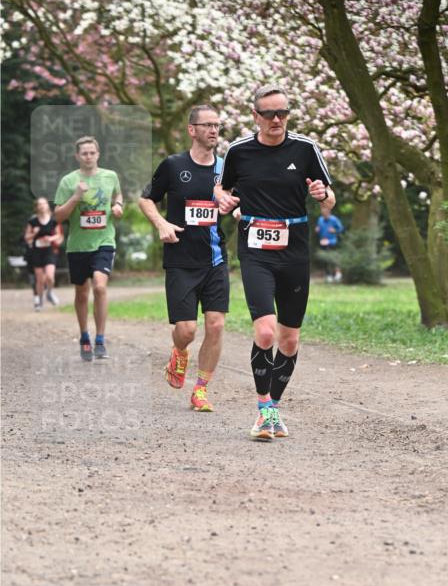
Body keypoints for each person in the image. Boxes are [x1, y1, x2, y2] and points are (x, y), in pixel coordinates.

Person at [216, 84, 335, 440]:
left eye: (283, 112)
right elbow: (221, 188)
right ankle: (263, 408)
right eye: (269, 113)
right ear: (256, 116)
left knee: (289, 340)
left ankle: (274, 409)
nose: (277, 119)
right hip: (255, 249)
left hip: (295, 250)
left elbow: (329, 201)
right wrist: (224, 200)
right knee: (266, 331)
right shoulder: (239, 150)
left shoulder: (306, 148)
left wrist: (322, 195)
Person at [138, 104, 228, 413]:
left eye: (217, 125)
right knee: (187, 330)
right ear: (192, 130)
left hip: (215, 259)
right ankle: (179, 351)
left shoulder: (227, 169)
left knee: (215, 325)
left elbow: (236, 203)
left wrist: (237, 210)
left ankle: (200, 390)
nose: (213, 130)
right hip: (180, 259)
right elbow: (146, 198)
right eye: (207, 125)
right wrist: (161, 223)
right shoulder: (173, 165)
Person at [54, 136, 123, 360]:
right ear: (77, 156)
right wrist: (75, 197)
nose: (88, 156)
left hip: (104, 241)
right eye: (84, 153)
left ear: (98, 154)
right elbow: (58, 216)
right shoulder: (68, 181)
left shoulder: (110, 176)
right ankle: (84, 336)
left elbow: (118, 195)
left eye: (92, 152)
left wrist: (119, 205)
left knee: (100, 287)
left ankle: (100, 339)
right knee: (81, 292)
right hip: (78, 246)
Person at [24, 197, 63, 310]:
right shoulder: (33, 221)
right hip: (37, 252)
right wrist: (34, 234)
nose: (42, 206)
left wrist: (50, 239)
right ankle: (40, 302)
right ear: (36, 207)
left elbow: (59, 235)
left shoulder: (53, 221)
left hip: (49, 251)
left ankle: (50, 293)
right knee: (40, 279)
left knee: (50, 277)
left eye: (44, 204)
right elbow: (26, 237)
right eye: (39, 204)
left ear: (47, 206)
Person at [315, 210, 344, 282]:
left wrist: (334, 230)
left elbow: (341, 228)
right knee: (325, 260)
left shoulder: (334, 219)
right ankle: (328, 275)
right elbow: (319, 230)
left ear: (329, 213)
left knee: (333, 259)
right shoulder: (320, 219)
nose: (324, 215)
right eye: (323, 213)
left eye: (325, 213)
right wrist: (317, 230)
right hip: (323, 242)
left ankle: (338, 274)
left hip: (332, 242)